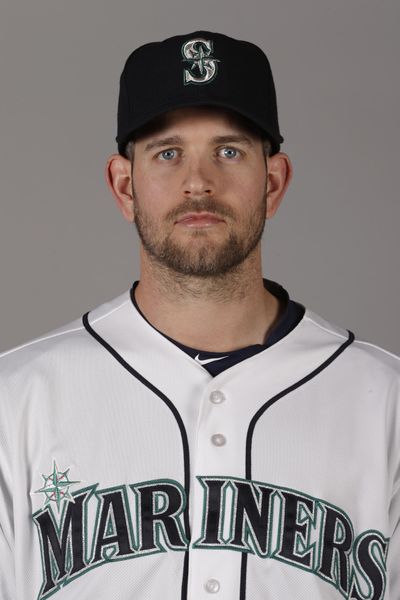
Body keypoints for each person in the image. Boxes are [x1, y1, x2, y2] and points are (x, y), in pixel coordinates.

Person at [0, 30, 398, 600]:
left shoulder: (386, 403)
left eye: (229, 151)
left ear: (274, 182)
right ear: (124, 185)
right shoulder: (16, 401)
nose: (198, 183)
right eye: (168, 153)